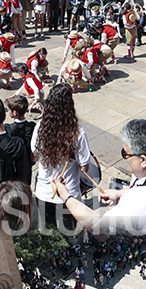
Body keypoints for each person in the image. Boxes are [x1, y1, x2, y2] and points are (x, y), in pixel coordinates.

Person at [54, 119, 146, 240]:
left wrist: (66, 196)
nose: (125, 157)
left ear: (143, 160)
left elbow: (98, 227)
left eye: (125, 154)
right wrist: (120, 194)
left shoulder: (140, 205)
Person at [31, 83, 90, 231]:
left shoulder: (39, 127)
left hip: (44, 191)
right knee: (69, 232)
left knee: (50, 234)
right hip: (68, 193)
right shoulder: (77, 132)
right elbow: (84, 167)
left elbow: (35, 154)